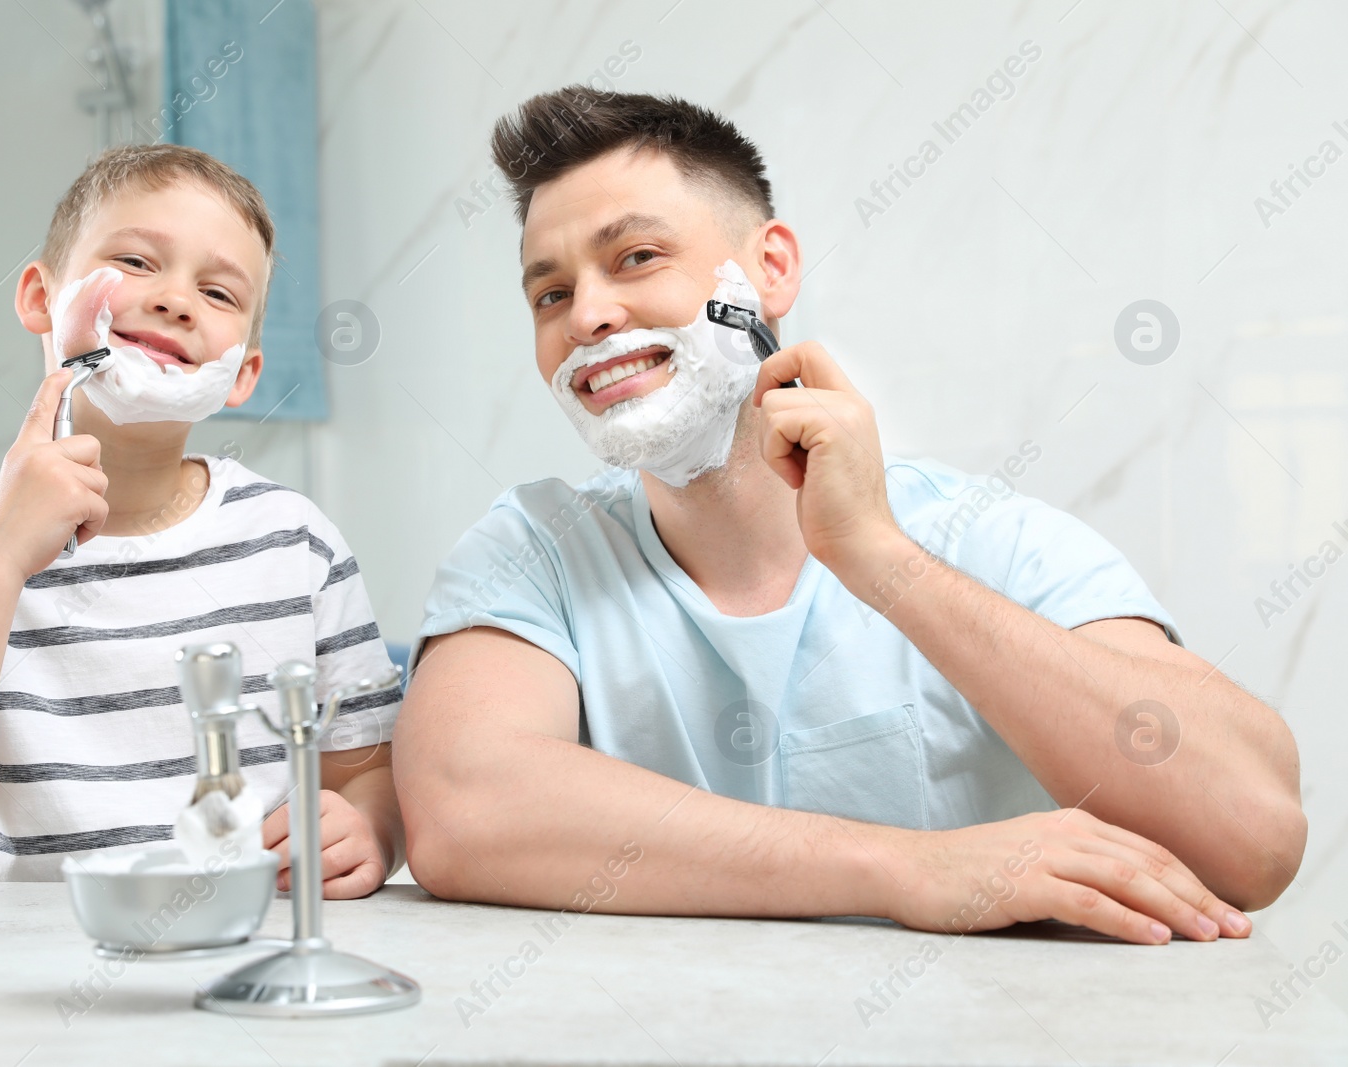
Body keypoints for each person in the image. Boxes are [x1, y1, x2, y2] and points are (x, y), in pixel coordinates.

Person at [393, 89, 1306, 943]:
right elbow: (463, 809)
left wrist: (878, 557)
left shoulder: (990, 537)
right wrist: (905, 868)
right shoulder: (534, 552)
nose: (588, 314)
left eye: (636, 257)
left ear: (770, 267)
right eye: (550, 293)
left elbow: (1254, 836)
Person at [0, 144, 402, 895]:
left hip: (237, 958)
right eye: (136, 261)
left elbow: (369, 778)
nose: (175, 299)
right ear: (39, 296)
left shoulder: (297, 546)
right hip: (14, 985)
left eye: (221, 294)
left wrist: (369, 830)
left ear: (245, 374)